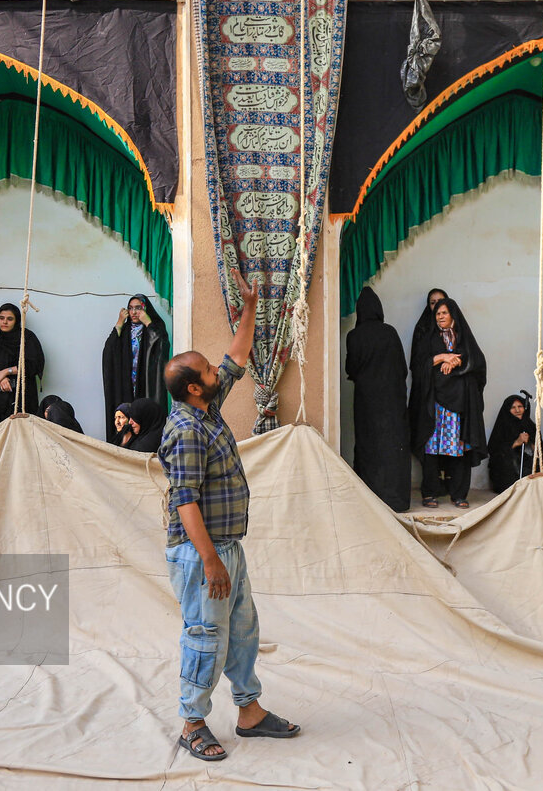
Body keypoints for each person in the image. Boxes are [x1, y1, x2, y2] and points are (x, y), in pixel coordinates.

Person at [158, 267, 299, 762]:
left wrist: (250, 305)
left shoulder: (206, 406)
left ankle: (250, 712)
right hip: (202, 556)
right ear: (194, 388)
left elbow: (236, 356)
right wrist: (212, 561)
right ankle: (192, 723)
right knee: (205, 637)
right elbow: (185, 501)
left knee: (241, 630)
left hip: (225, 547)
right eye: (209, 373)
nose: (218, 373)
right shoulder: (186, 431)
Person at [408, 297, 488, 508]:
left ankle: (459, 494)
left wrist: (457, 360)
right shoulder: (429, 338)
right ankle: (430, 492)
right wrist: (442, 357)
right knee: (432, 448)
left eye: (444, 313)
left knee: (459, 449)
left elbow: (478, 361)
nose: (440, 317)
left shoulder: (464, 337)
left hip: (460, 404)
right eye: (437, 314)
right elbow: (418, 365)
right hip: (435, 403)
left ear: (453, 314)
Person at [345, 287, 411, 512]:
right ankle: (396, 500)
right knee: (393, 445)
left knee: (368, 444)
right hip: (392, 400)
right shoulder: (390, 332)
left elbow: (351, 369)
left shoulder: (354, 336)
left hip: (366, 401)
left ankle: (369, 500)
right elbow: (402, 369)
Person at [102, 294, 169, 445]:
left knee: (144, 418)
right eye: (130, 308)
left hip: (145, 382)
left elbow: (161, 348)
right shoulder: (125, 330)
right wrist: (119, 323)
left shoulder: (156, 326)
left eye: (138, 308)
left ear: (145, 309)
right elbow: (108, 352)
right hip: (126, 384)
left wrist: (149, 324)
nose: (133, 312)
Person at [0, 303, 45, 429]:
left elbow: (34, 365)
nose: (5, 322)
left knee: (24, 437)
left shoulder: (27, 338)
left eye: (10, 319)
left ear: (17, 320)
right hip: (0, 403)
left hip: (24, 398)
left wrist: (7, 371)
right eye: (1, 318)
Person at [487, 392, 543, 494]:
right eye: (513, 407)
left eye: (520, 406)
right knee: (510, 458)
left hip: (526, 465)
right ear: (507, 410)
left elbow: (540, 450)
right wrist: (516, 443)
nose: (517, 410)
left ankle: (538, 485)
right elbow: (494, 450)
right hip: (508, 468)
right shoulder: (502, 426)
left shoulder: (529, 425)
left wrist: (534, 445)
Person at [408, 288, 448, 376]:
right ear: (429, 306)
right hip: (430, 383)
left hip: (453, 385)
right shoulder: (422, 329)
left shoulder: (455, 327)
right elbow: (417, 363)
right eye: (433, 303)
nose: (437, 305)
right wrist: (442, 358)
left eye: (441, 301)